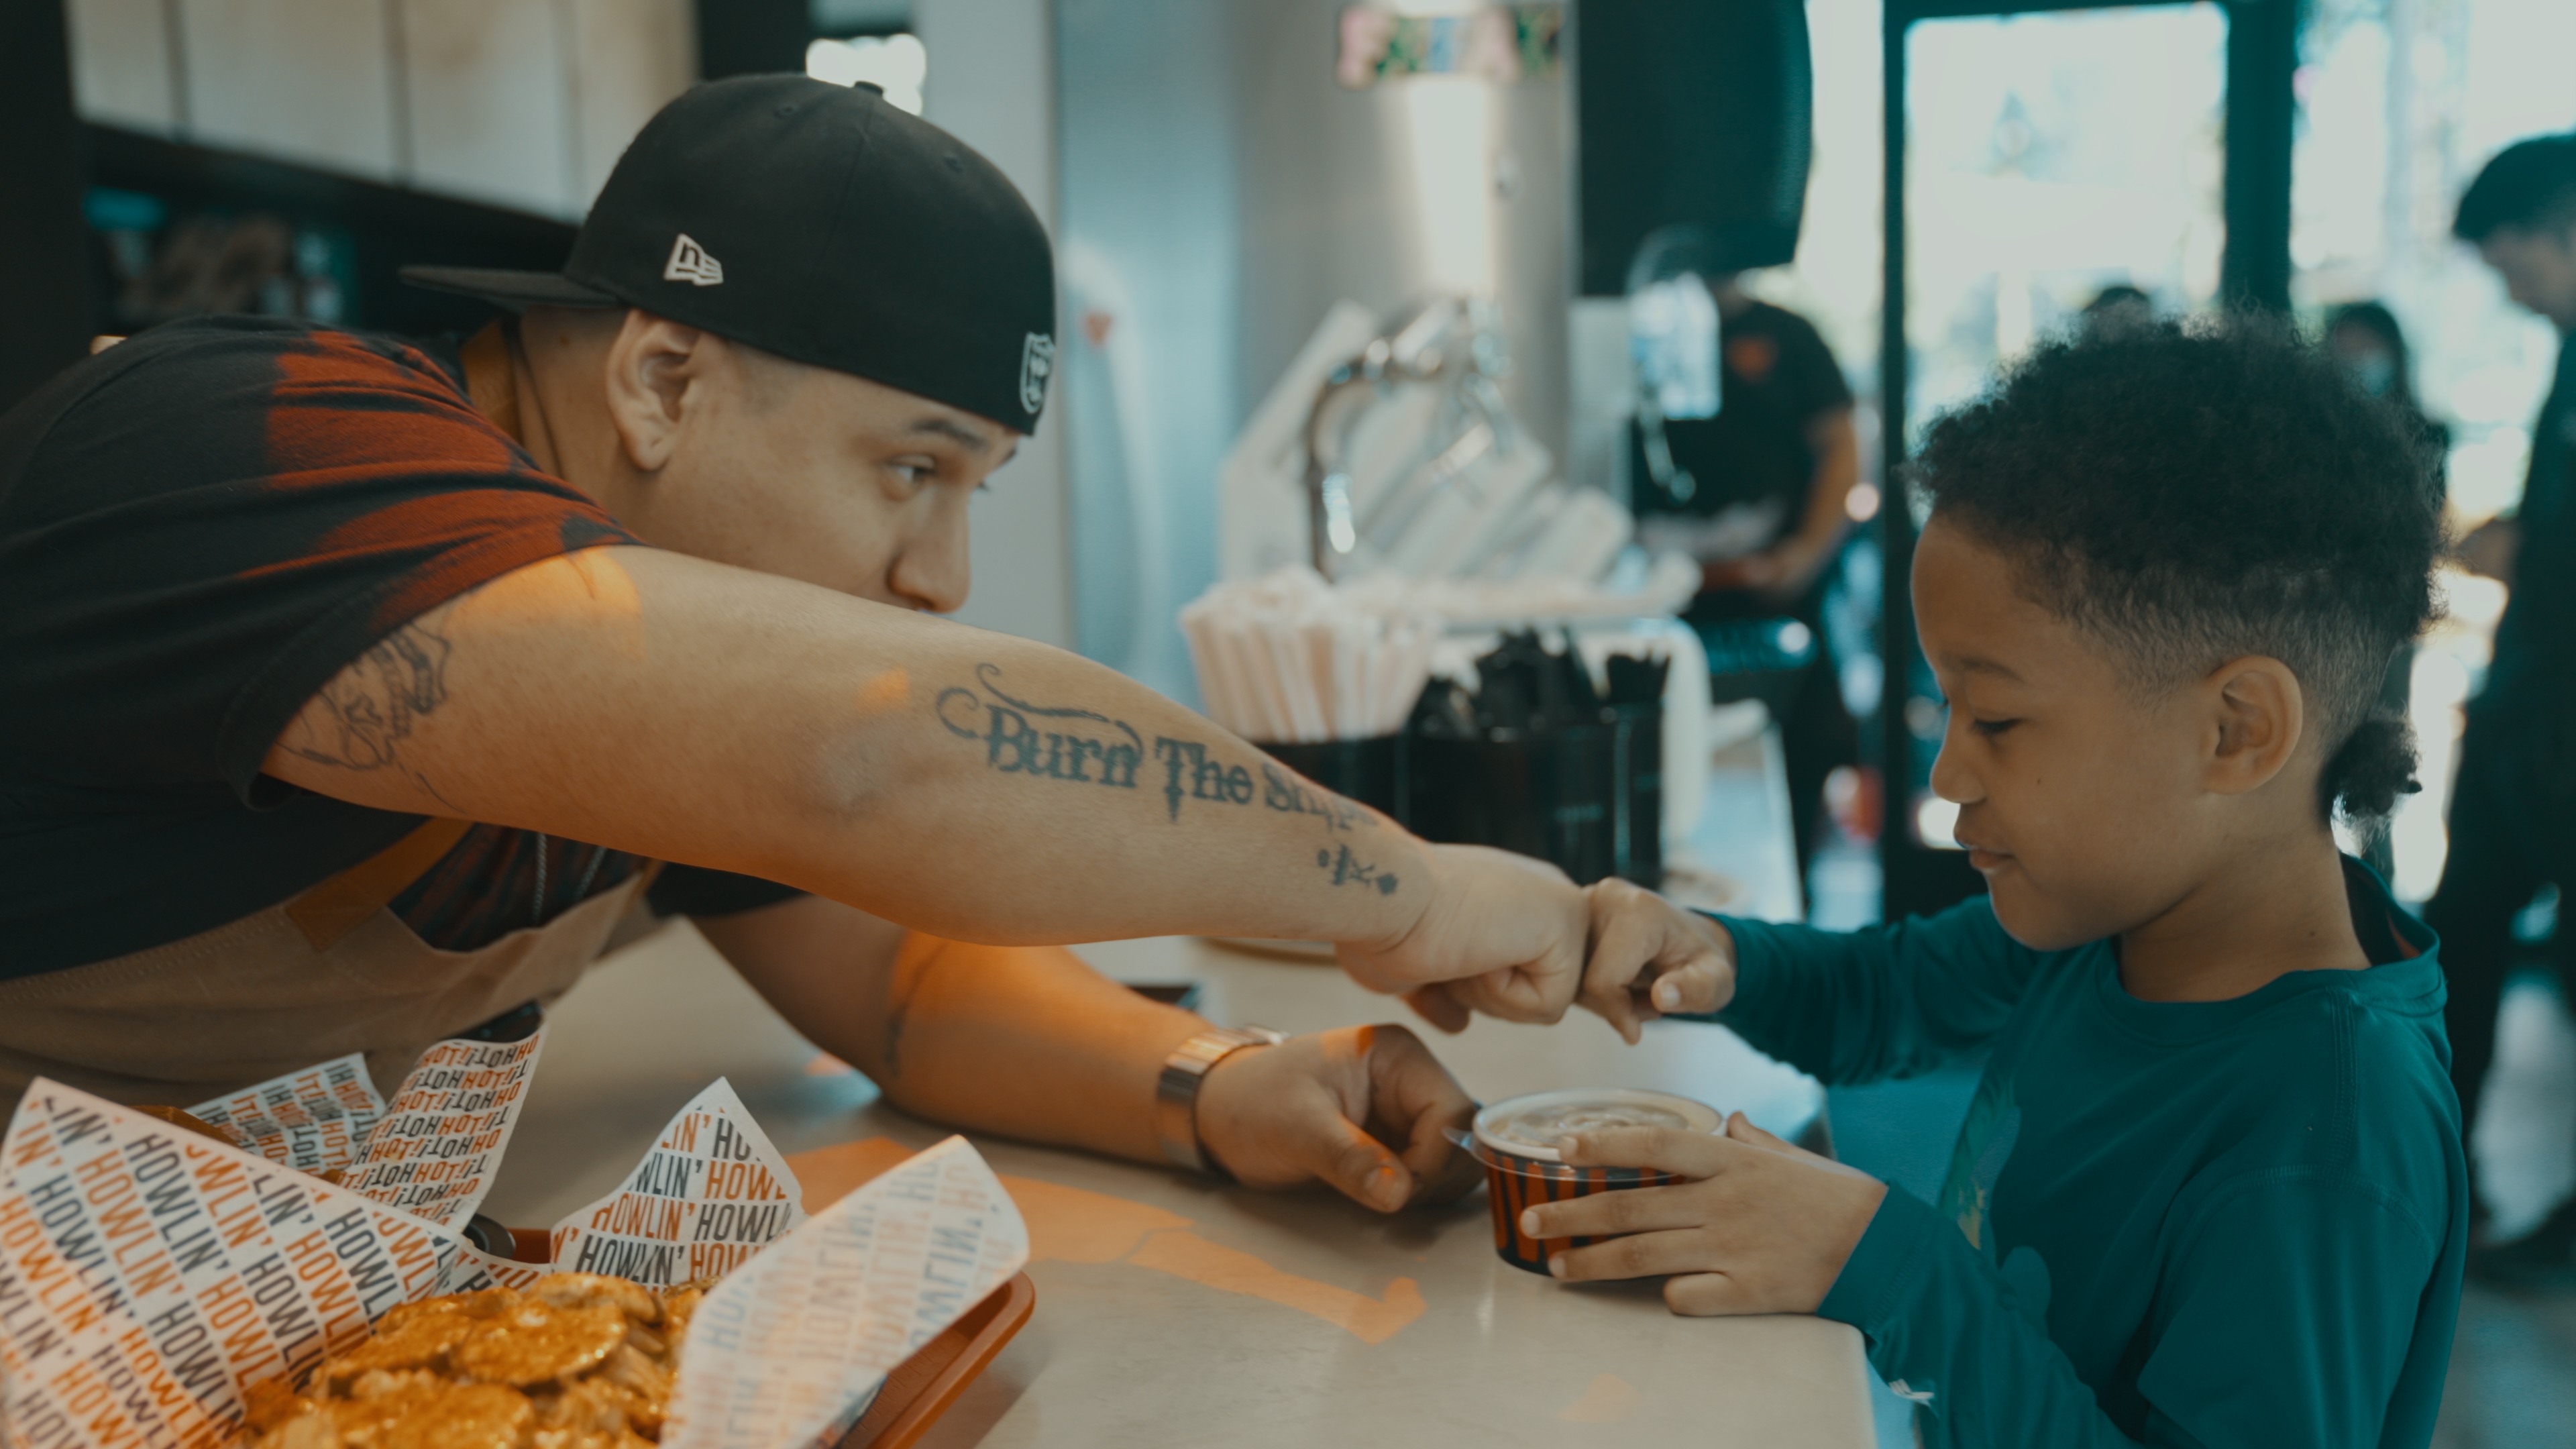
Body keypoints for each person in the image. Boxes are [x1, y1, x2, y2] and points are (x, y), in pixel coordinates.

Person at [0, 75, 1617, 1216]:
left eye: (975, 486)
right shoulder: (262, 451)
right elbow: (870, 755)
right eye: (910, 469)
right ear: (662, 378)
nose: (942, 574)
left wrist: (1210, 1081)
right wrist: (1403, 885)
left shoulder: (635, 611)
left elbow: (904, 979)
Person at [1557, 320, 2461, 1446]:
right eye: (1946, 713)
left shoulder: (2324, 1142)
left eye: (1999, 719)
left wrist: (1886, 1267)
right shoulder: (2116, 919)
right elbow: (1883, 996)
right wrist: (1707, 952)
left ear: (2236, 731)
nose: (1948, 773)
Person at [2424, 133, 2576, 1280]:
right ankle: (2441, 1185)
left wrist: (2523, 548)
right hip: (2529, 708)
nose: (2509, 285)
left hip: (2559, 722)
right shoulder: (2568, 352)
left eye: (2510, 255)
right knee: (2463, 935)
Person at [1633, 271, 1861, 897]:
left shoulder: (1787, 334)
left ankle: (1798, 912)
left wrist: (1807, 552)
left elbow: (1843, 442)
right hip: (1663, 607)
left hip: (1774, 604)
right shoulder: (1637, 326)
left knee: (1797, 766)